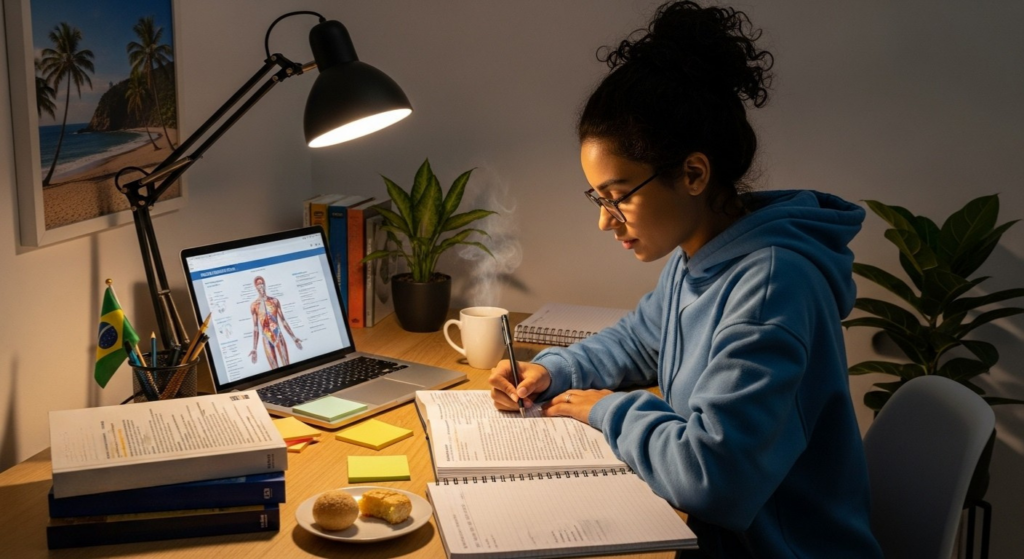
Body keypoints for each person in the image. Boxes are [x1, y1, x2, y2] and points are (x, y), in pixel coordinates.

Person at [488, 2, 882, 557]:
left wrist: (604, 408)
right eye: (597, 198)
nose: (605, 219)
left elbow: (711, 478)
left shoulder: (773, 286)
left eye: (618, 196)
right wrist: (553, 372)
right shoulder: (699, 253)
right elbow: (640, 339)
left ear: (693, 174)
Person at [248, 275, 302, 368]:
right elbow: (256, 327)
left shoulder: (274, 301)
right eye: (258, 284)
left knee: (286, 365)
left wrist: (293, 337)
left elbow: (283, 321)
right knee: (274, 368)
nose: (261, 286)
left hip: (278, 335)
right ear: (255, 287)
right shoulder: (254, 305)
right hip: (266, 337)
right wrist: (254, 348)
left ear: (265, 285)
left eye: (262, 283)